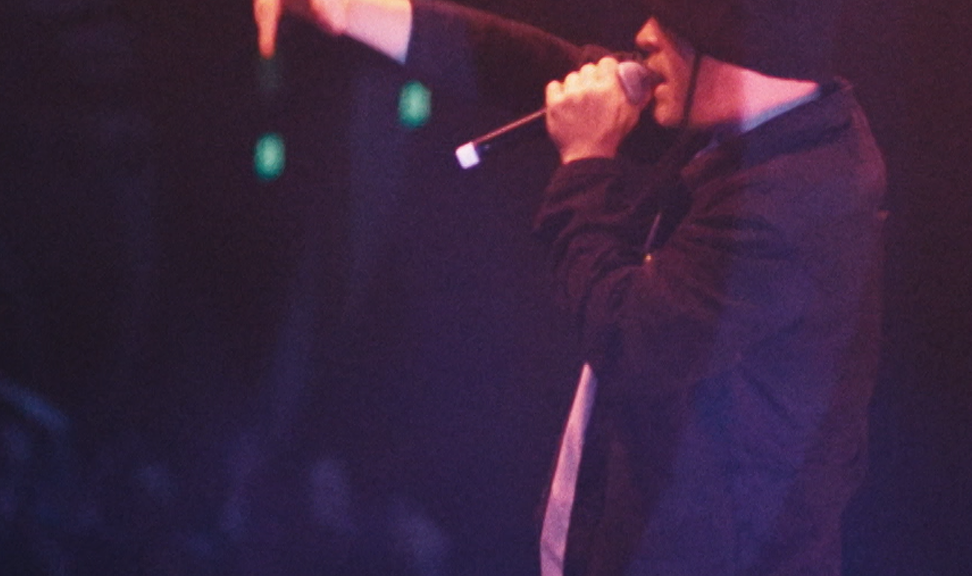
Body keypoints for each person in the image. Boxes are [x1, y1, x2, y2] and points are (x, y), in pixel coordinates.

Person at [257, 0, 885, 573]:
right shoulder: (750, 125)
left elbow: (633, 339)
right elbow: (529, 65)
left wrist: (585, 163)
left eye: (674, 23)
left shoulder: (798, 199)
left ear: (742, 39)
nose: (644, 35)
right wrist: (350, 11)